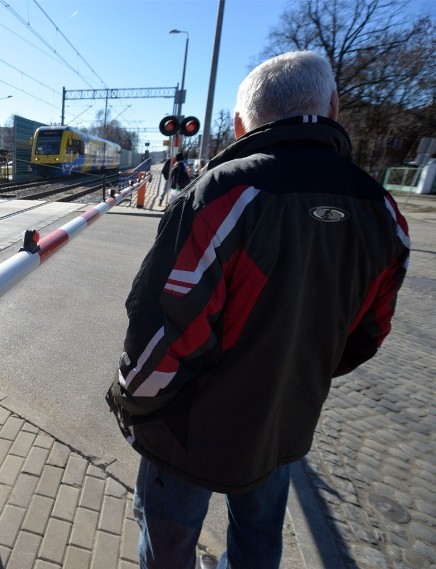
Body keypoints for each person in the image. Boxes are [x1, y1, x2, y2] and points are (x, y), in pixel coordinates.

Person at [106, 51, 410, 569]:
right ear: (333, 107)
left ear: (241, 123)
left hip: (186, 433)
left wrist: (127, 400)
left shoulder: (224, 195)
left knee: (168, 552)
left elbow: (166, 332)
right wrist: (295, 375)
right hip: (282, 427)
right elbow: (367, 334)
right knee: (258, 546)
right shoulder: (381, 210)